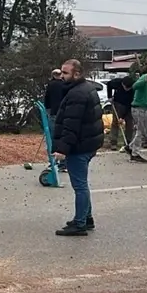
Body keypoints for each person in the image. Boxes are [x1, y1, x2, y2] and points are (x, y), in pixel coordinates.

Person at [51, 59, 104, 237]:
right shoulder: (85, 88)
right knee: (82, 184)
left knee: (80, 186)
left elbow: (71, 125)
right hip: (87, 143)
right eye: (62, 72)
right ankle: (86, 218)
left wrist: (62, 149)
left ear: (77, 74)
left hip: (79, 146)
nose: (61, 76)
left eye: (65, 73)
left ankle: (80, 223)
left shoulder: (77, 94)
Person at [105, 70, 134, 151]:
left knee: (130, 124)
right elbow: (108, 84)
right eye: (126, 87)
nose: (127, 89)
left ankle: (128, 142)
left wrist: (122, 117)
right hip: (117, 104)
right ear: (122, 84)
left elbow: (130, 104)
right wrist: (109, 97)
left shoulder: (133, 89)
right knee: (115, 123)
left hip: (128, 106)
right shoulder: (117, 82)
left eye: (129, 88)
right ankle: (113, 142)